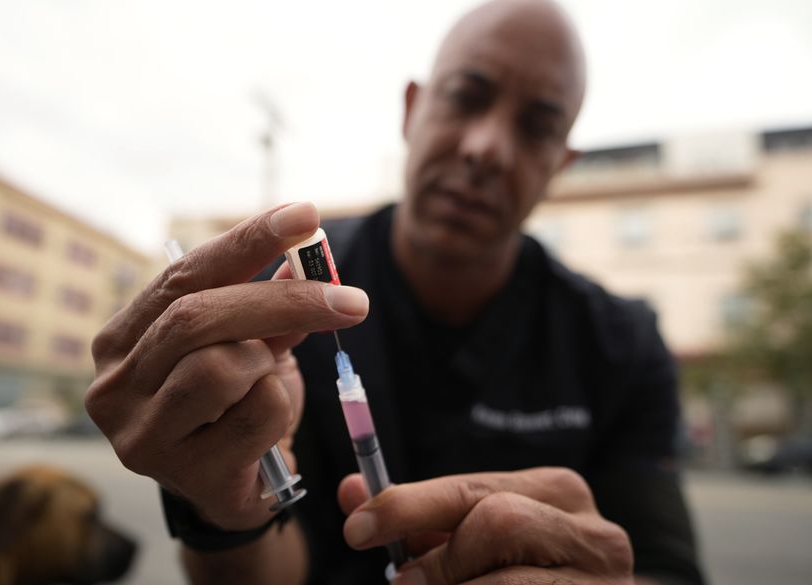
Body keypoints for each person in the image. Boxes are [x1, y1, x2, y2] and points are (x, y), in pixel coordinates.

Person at [85, 1, 706, 584]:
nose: (485, 147)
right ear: (412, 109)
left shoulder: (620, 341)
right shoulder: (274, 306)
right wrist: (225, 506)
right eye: (467, 97)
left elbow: (663, 565)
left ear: (559, 166)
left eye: (536, 128)